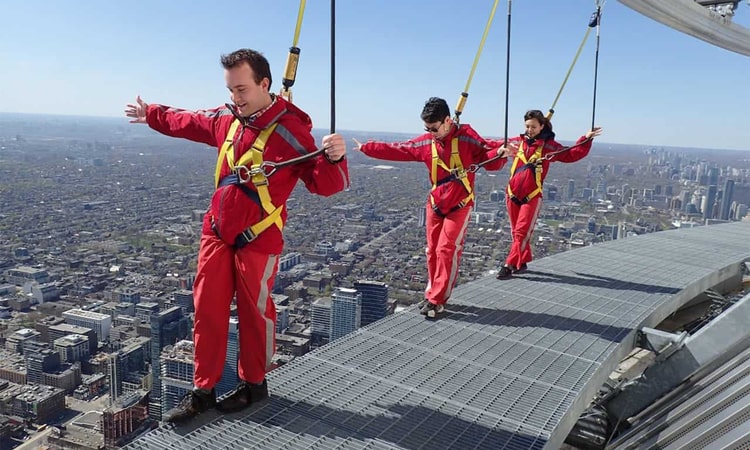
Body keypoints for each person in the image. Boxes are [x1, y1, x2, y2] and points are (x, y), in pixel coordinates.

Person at [125, 48, 349, 423]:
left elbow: (324, 184)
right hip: (216, 231)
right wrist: (152, 114)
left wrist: (336, 158)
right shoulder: (227, 120)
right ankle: (203, 391)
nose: (236, 98)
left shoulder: (291, 132)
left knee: (254, 312)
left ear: (264, 84)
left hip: (258, 237)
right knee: (207, 310)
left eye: (242, 89)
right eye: (231, 90)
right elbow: (189, 121)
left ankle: (254, 385)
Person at [354, 97, 513, 318]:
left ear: (447, 120)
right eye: (427, 129)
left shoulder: (468, 138)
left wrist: (502, 153)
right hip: (436, 204)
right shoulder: (426, 142)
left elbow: (489, 156)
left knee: (446, 250)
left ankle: (438, 299)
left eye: (434, 128)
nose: (431, 133)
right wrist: (367, 148)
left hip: (460, 204)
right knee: (432, 252)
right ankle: (431, 294)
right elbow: (400, 149)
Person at [496, 109, 602, 279]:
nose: (529, 130)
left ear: (542, 127)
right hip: (512, 194)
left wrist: (586, 139)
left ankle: (509, 264)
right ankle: (522, 260)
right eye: (527, 126)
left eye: (533, 127)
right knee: (516, 231)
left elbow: (571, 154)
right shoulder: (517, 143)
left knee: (522, 232)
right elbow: (492, 144)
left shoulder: (548, 146)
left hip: (532, 196)